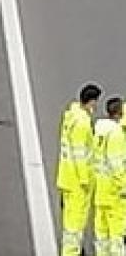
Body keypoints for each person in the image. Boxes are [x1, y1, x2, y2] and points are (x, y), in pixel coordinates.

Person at [58, 83, 102, 256]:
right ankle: (71, 252)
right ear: (90, 101)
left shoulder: (71, 115)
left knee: (70, 222)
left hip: (67, 176)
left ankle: (71, 250)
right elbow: (80, 155)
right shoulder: (82, 123)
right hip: (77, 182)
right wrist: (85, 180)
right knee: (75, 223)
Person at [94, 97, 126, 256]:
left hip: (100, 189)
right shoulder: (117, 134)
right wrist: (124, 187)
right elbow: (117, 165)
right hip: (114, 192)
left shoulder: (99, 130)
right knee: (117, 234)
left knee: (102, 233)